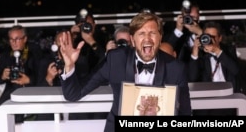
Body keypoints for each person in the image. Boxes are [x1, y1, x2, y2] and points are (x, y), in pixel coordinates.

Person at [59, 12, 192, 132]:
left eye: (152, 33)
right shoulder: (115, 60)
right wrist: (69, 66)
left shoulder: (176, 68)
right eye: (141, 33)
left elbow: (185, 114)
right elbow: (73, 94)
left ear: (160, 37)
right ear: (133, 40)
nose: (147, 39)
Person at [189, 21, 240, 115]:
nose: (210, 40)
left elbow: (236, 71)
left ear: (220, 38)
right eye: (207, 36)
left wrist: (217, 51)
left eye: (213, 37)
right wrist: (195, 50)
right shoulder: (200, 55)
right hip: (205, 101)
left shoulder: (228, 51)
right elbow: (192, 77)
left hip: (227, 99)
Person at [0, 25, 42, 122]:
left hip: (30, 90)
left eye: (17, 39)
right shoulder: (6, 55)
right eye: (11, 39)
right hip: (11, 90)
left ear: (25, 39)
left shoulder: (34, 53)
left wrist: (29, 80)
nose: (14, 43)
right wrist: (3, 76)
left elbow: (41, 76)